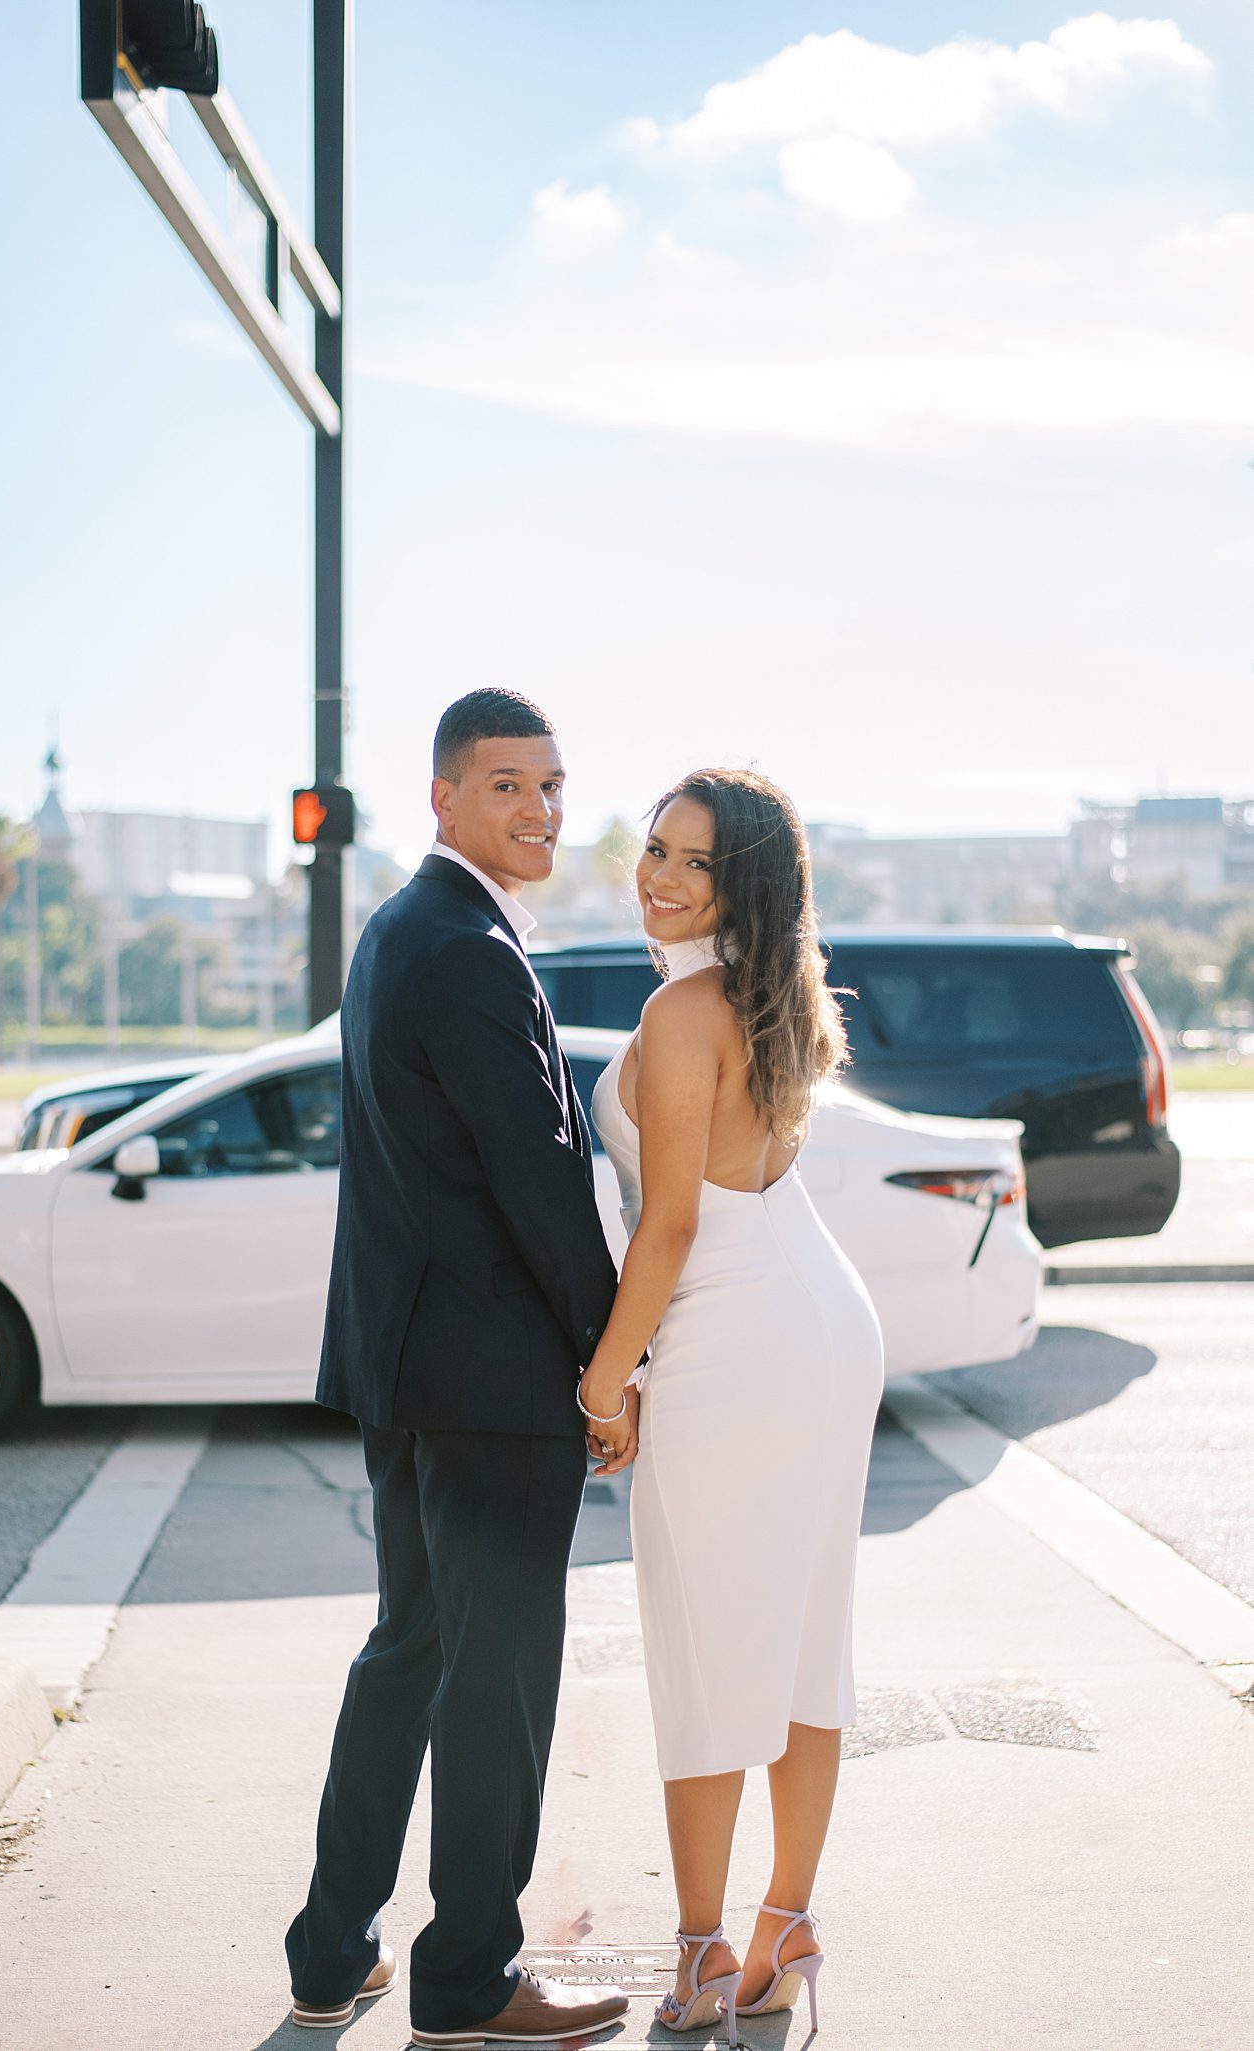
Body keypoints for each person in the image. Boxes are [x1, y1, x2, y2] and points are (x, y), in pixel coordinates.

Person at [286, 689, 631, 2047]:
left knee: (411, 1647)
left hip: (410, 1367)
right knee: (493, 1677)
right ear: (443, 796)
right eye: (507, 785)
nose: (538, 808)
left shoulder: (398, 930)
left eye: (551, 785)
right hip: (490, 1381)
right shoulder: (473, 947)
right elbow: (543, 1182)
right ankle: (472, 1973)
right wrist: (613, 1358)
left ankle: (331, 1949)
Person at [578, 767, 884, 2042]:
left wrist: (606, 1382)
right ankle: (785, 1922)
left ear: (740, 880)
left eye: (692, 860)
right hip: (822, 1314)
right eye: (652, 847)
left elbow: (674, 1222)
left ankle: (704, 1954)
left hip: (736, 1329)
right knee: (805, 1641)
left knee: (707, 1648)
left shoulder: (682, 1008)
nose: (656, 874)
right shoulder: (778, 997)